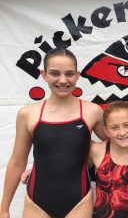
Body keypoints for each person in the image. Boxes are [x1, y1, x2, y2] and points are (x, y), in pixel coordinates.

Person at [0, 47, 106, 218]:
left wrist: (91, 155)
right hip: (37, 202)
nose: (62, 80)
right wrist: (4, 209)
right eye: (55, 73)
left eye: (69, 74)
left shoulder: (92, 112)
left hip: (79, 202)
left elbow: (117, 146)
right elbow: (17, 162)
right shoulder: (28, 114)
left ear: (78, 75)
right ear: (44, 74)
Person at [89, 101, 128, 218]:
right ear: (106, 131)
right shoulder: (96, 150)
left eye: (127, 125)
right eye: (114, 128)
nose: (122, 132)